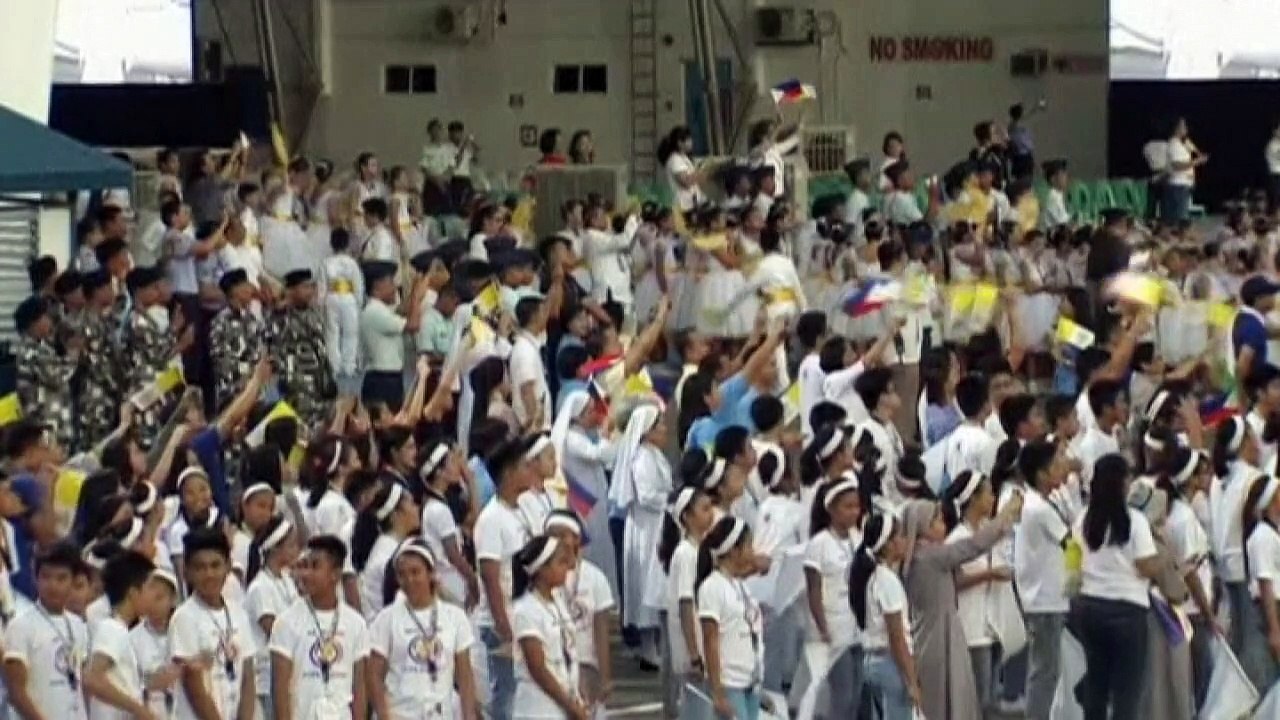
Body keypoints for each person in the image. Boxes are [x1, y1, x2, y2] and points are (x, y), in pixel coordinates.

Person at [898, 492, 1020, 720]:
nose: (943, 525)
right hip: (939, 636)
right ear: (923, 526)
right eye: (937, 520)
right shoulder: (930, 556)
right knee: (945, 698)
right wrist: (1005, 516)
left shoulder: (917, 556)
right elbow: (973, 546)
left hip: (931, 632)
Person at [1070, 454, 1160, 720]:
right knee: (1126, 690)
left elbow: (1071, 559)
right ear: (1121, 482)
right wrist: (1162, 562)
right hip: (1128, 611)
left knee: (1096, 683)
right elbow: (1146, 566)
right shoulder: (1135, 521)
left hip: (1090, 608)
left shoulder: (1082, 519)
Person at [368, 537, 480, 720]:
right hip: (401, 713)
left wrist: (469, 714)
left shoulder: (455, 617)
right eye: (402, 574)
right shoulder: (386, 618)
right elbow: (373, 674)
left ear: (430, 574)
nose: (409, 580)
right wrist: (383, 714)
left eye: (415, 572)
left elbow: (464, 674)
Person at [269, 535, 370, 720]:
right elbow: (280, 688)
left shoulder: (356, 623)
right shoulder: (286, 621)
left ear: (335, 574)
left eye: (315, 566)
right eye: (305, 566)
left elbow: (359, 688)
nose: (306, 574)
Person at [474, 439, 538, 720]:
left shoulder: (520, 510)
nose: (530, 471)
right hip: (500, 622)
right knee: (506, 699)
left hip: (520, 615)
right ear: (509, 473)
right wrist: (504, 626)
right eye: (525, 466)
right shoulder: (491, 519)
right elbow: (490, 576)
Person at [1013, 440, 1075, 720]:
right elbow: (1071, 544)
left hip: (1049, 599)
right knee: (1045, 671)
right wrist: (1078, 575)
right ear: (1041, 474)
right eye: (1056, 465)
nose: (1063, 468)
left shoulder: (1047, 501)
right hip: (1044, 600)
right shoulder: (1038, 508)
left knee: (1050, 669)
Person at [169, 528, 257, 720]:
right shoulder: (184, 617)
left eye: (215, 565)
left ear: (228, 566)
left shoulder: (238, 612)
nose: (209, 574)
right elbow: (194, 685)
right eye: (200, 568)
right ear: (187, 572)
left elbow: (248, 676)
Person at [2, 542, 91, 720]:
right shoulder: (20, 626)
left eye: (61, 578)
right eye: (46, 577)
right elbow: (16, 693)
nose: (53, 585)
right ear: (36, 580)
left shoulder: (78, 625)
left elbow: (80, 684)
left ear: (73, 581)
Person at [804, 474, 868, 719]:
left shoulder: (858, 538)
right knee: (843, 695)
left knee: (857, 693)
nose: (854, 512)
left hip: (857, 627)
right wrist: (822, 626)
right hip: (834, 628)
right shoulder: (819, 544)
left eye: (856, 506)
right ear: (831, 509)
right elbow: (813, 589)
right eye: (847, 506)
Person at [611, 403, 670, 668]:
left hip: (656, 524)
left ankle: (653, 645)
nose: (665, 430)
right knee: (646, 582)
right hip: (647, 526)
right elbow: (646, 496)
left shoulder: (655, 454)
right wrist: (670, 499)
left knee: (654, 581)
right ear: (646, 431)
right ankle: (647, 647)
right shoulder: (642, 458)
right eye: (659, 426)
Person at [543, 510, 614, 715]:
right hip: (556, 669)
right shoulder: (544, 575)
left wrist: (605, 675)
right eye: (551, 534)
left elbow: (601, 629)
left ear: (576, 538)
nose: (556, 540)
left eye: (562, 534)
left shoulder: (595, 577)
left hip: (587, 666)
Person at [696, 516, 763, 720]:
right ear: (734, 550)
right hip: (729, 682)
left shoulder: (739, 584)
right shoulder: (712, 587)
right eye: (748, 545)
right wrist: (717, 692)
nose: (753, 551)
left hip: (750, 680)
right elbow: (710, 640)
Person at [511, 535, 584, 720]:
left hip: (563, 701)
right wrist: (570, 706)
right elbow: (538, 668)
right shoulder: (526, 609)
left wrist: (576, 696)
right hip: (538, 709)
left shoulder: (557, 601)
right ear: (541, 570)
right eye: (560, 563)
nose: (567, 568)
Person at [83, 550, 156, 720]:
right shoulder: (112, 628)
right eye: (150, 588)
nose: (153, 595)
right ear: (133, 592)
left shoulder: (121, 630)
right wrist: (138, 710)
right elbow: (92, 678)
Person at [243, 514, 300, 720]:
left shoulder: (286, 579)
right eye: (292, 545)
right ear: (276, 548)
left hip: (290, 670)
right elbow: (273, 629)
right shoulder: (260, 587)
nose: (297, 550)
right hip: (267, 675)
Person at [13, 295, 79, 452]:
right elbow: (56, 376)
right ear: (33, 322)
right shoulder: (31, 351)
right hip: (45, 423)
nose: (49, 322)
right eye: (45, 317)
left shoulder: (42, 347)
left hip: (55, 421)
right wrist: (73, 356)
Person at [323, 229, 364, 397]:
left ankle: (334, 365)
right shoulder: (352, 263)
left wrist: (321, 303)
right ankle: (349, 366)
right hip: (348, 299)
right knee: (350, 333)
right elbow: (358, 284)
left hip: (331, 297)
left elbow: (321, 285)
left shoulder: (325, 262)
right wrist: (359, 302)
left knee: (331, 333)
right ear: (347, 244)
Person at [1163, 117, 1206, 225]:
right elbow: (1177, 165)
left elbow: (1195, 155)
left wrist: (1197, 152)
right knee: (1179, 218)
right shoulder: (1174, 144)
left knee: (1182, 217)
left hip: (1185, 185)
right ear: (1176, 128)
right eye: (1183, 126)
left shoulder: (1184, 144)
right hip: (1178, 186)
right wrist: (1196, 162)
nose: (1185, 128)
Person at [658, 127, 704, 215]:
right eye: (688, 140)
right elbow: (685, 182)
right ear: (680, 143)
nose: (691, 143)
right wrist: (702, 173)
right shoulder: (675, 160)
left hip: (691, 203)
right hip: (683, 206)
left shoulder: (683, 158)